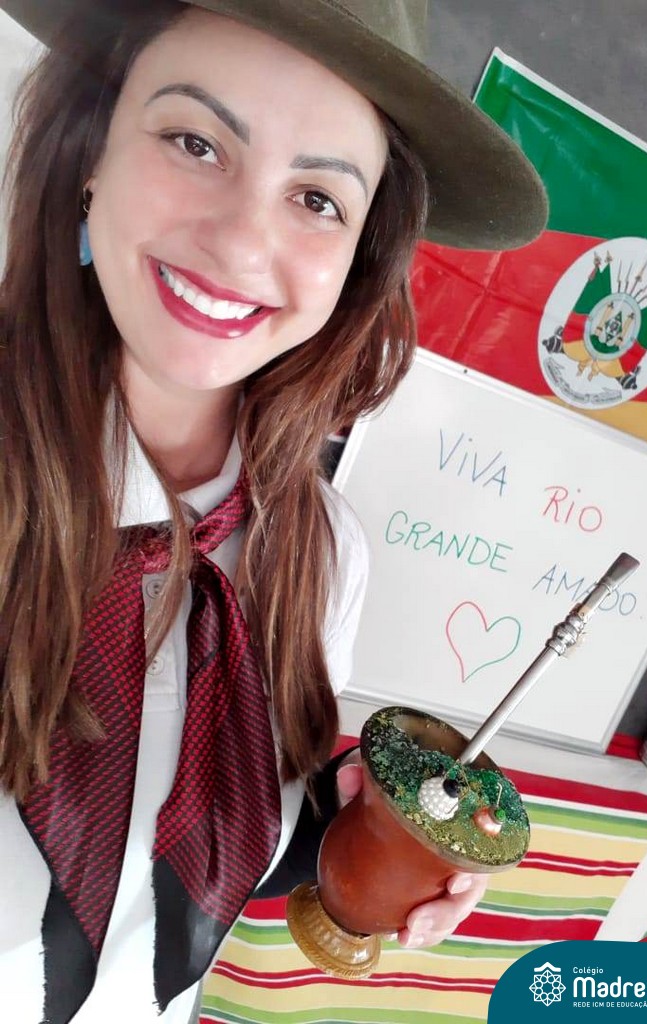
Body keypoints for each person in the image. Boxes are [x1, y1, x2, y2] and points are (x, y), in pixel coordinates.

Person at [0, 1, 547, 1022]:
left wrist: (361, 843)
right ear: (91, 151)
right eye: (195, 142)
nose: (243, 243)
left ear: (356, 261)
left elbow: (179, 853)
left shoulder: (323, 552)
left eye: (317, 198)